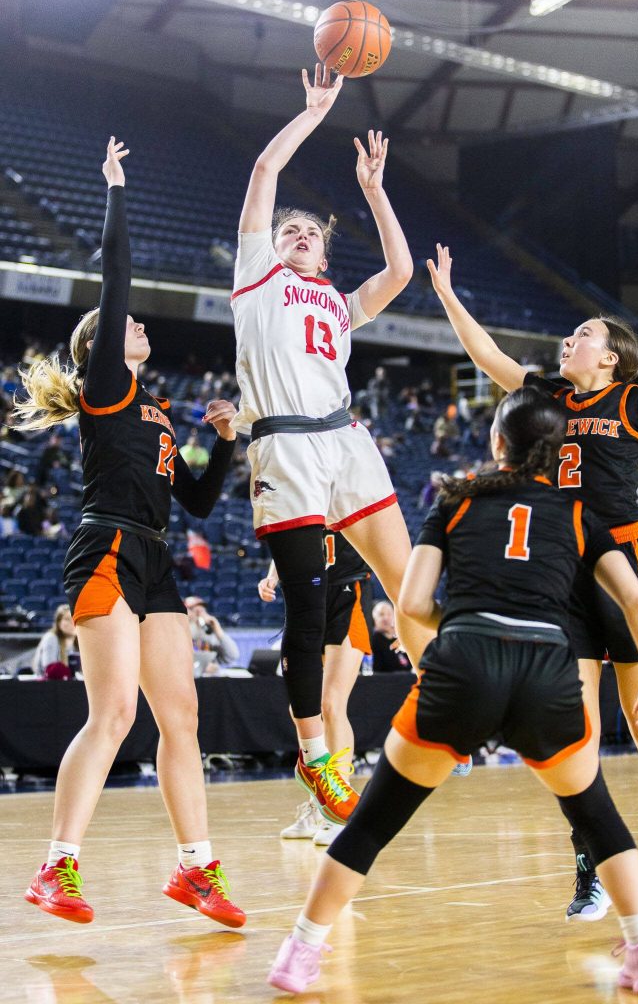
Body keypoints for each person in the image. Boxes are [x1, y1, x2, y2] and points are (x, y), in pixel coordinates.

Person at [268, 387, 638, 997]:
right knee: (596, 816)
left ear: (496, 443)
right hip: (547, 672)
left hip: (465, 663)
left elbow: (409, 602)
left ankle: (300, 952)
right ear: (560, 451)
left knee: (374, 822)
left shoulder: (454, 503)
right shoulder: (579, 516)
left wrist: (463, 623)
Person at [427, 243, 638, 922]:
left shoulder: (636, 400)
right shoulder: (545, 394)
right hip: (562, 568)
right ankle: (595, 855)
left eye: (583, 336)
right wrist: (447, 294)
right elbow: (487, 356)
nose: (569, 341)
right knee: (569, 728)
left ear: (609, 357)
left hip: (625, 566)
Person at [12, 138, 244, 928]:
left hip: (156, 560)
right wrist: (115, 187)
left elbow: (205, 502)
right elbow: (115, 278)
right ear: (100, 348)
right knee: (112, 715)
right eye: (123, 324)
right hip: (106, 547)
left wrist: (226, 439)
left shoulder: (158, 414)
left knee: (182, 717)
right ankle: (55, 868)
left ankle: (195, 870)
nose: (136, 323)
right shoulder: (107, 384)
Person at [231, 65, 432, 826]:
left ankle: (450, 682)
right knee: (308, 615)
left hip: (345, 441)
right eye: (290, 229)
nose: (298, 234)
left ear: (322, 256)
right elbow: (264, 169)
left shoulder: (341, 304)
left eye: (310, 233)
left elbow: (403, 271)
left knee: (408, 579)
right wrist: (314, 114)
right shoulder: (255, 278)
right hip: (285, 449)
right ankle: (318, 757)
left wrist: (375, 190)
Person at [259, 528, 374, 846]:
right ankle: (316, 805)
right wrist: (272, 576)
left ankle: (338, 806)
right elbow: (288, 540)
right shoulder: (301, 492)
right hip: (306, 595)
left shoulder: (352, 486)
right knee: (304, 708)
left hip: (348, 591)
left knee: (331, 704)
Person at [184, 595, 240, 672]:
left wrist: (217, 629)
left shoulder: (211, 634)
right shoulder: (178, 632)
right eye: (193, 609)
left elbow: (232, 655)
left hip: (209, 679)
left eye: (202, 608)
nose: (199, 612)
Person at [32, 604, 77, 678]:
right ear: (58, 622)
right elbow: (50, 670)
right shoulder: (51, 638)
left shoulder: (78, 641)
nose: (72, 622)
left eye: (74, 618)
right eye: (67, 619)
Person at [371, 600, 411, 673]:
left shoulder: (401, 640)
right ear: (374, 618)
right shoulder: (372, 641)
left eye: (389, 614)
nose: (386, 618)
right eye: (381, 614)